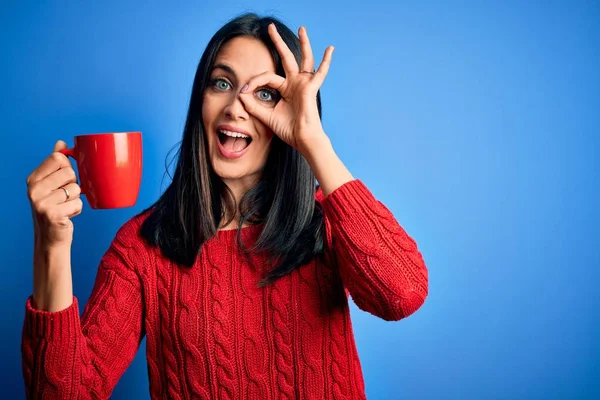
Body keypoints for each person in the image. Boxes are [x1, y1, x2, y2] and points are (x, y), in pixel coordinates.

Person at [22, 12, 429, 400]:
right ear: (200, 100)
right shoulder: (142, 248)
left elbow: (402, 295)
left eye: (265, 93)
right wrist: (51, 247)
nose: (236, 106)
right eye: (221, 84)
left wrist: (313, 142)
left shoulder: (324, 221)